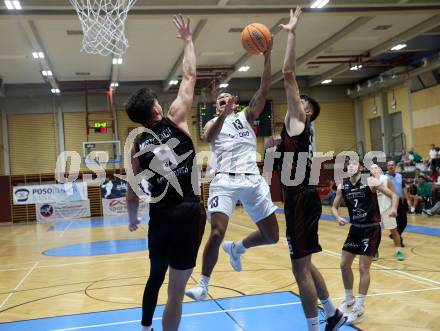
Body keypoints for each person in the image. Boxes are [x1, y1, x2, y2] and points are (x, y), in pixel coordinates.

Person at [185, 30, 280, 301]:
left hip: (251, 179)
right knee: (216, 231)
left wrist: (268, 57)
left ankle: (237, 248)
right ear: (216, 106)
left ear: (235, 102)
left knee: (272, 236)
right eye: (219, 100)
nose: (223, 100)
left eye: (227, 98)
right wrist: (223, 115)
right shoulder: (211, 123)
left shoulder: (247, 117)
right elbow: (209, 137)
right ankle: (203, 285)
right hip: (224, 180)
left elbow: (264, 90)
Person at [125, 15, 206, 331]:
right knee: (176, 294)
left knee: (155, 276)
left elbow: (132, 191)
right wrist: (187, 41)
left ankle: (145, 327)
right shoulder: (175, 119)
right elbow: (190, 75)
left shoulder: (136, 145)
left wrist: (132, 218)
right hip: (186, 213)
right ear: (157, 110)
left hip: (160, 218)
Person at [275, 7, 346, 331]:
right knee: (305, 262)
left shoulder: (298, 119)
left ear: (307, 112)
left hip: (301, 200)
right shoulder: (296, 127)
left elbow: (288, 73)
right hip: (301, 199)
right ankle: (331, 312)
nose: (297, 101)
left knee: (298, 269)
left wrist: (291, 33)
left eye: (302, 102)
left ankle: (314, 327)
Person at [332, 159, 398, 325]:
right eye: (349, 165)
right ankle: (349, 299)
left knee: (363, 268)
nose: (351, 167)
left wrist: (394, 209)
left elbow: (393, 195)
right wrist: (337, 216)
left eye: (355, 164)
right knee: (344, 264)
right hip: (355, 229)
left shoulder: (370, 182)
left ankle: (360, 306)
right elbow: (334, 207)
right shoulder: (343, 186)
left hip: (371, 229)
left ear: (361, 168)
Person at [370, 164, 405, 261]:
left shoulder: (385, 179)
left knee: (394, 231)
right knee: (374, 233)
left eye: (376, 167)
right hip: (375, 211)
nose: (374, 169)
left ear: (380, 170)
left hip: (387, 209)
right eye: (372, 168)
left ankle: (399, 251)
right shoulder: (368, 181)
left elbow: (394, 195)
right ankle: (375, 251)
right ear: (370, 171)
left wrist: (394, 208)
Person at [386, 160, 408, 246]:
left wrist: (407, 200)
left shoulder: (399, 176)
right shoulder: (384, 177)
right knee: (394, 223)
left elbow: (403, 188)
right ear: (387, 167)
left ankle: (394, 235)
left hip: (400, 202)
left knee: (404, 221)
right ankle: (399, 239)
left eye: (392, 165)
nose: (391, 167)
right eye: (389, 165)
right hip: (390, 203)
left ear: (395, 166)